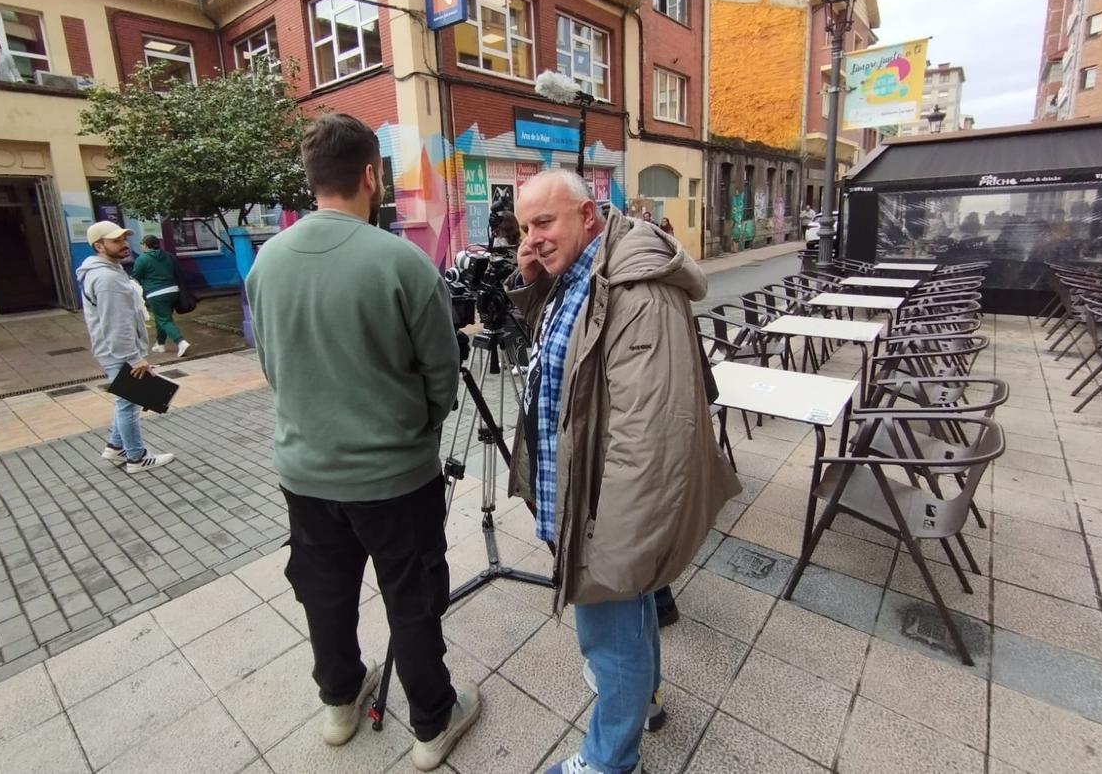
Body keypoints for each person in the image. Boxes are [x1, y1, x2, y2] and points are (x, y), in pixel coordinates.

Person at [246, 113, 479, 770]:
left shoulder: (267, 264)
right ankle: (432, 724)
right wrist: (416, 427)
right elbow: (442, 372)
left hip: (305, 474)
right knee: (412, 596)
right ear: (371, 175)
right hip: (397, 479)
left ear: (312, 179)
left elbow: (272, 366)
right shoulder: (402, 262)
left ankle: (339, 705)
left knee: (325, 593)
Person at [510, 171, 740, 774]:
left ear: (588, 216)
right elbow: (564, 354)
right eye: (524, 226)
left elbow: (652, 438)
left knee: (610, 636)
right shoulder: (582, 272)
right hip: (578, 489)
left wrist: (617, 547)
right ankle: (648, 697)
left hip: (605, 509)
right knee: (630, 621)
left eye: (544, 223)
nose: (532, 238)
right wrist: (530, 282)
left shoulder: (636, 292)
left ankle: (609, 761)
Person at [76, 221, 175, 474]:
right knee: (129, 403)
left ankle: (115, 446)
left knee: (126, 399)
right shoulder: (107, 277)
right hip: (119, 352)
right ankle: (136, 457)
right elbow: (116, 323)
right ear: (99, 245)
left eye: (124, 239)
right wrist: (134, 358)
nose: (124, 244)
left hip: (114, 350)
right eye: (116, 240)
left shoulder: (108, 271)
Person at [131, 234, 190, 358]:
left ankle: (181, 342)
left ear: (146, 245)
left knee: (164, 319)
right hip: (173, 291)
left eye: (142, 243)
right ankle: (160, 344)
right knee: (162, 318)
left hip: (156, 293)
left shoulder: (142, 259)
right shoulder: (168, 255)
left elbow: (135, 276)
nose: (141, 246)